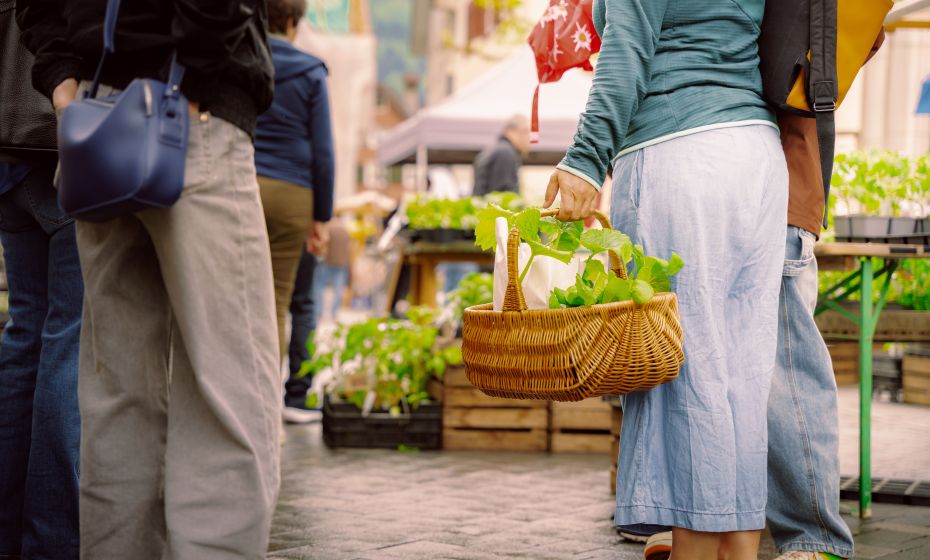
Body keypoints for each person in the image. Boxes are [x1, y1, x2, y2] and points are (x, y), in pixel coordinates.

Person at [17, 1, 282, 557]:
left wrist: (67, 88)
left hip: (98, 119)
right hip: (191, 112)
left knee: (118, 395)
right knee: (228, 389)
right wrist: (200, 66)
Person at [546, 1, 788, 559]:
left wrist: (585, 159)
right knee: (744, 375)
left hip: (680, 155)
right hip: (756, 157)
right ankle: (736, 551)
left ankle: (696, 553)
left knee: (689, 368)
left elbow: (628, 47)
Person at [765, 32, 885, 560]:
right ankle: (696, 521)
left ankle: (815, 537)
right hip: (759, 178)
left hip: (784, 183)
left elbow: (861, 35)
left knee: (787, 362)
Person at [0, 161, 83, 560]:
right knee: (68, 338)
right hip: (66, 159)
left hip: (8, 168)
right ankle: (53, 543)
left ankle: (7, 536)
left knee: (24, 333)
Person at [255, 0, 335, 359]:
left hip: (243, 181)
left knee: (231, 296)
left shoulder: (245, 60)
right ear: (292, 20)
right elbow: (324, 153)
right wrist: (322, 217)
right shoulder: (310, 72)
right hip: (293, 194)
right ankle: (265, 406)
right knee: (275, 300)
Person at [472, 114, 530, 197]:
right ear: (511, 131)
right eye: (525, 131)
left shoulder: (492, 150)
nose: (529, 137)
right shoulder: (506, 153)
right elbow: (505, 195)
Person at [313, 217, 351, 323]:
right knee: (338, 290)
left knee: (318, 288)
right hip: (341, 264)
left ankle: (318, 312)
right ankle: (334, 314)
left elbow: (323, 244)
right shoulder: (346, 232)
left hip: (326, 263)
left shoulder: (328, 229)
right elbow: (349, 250)